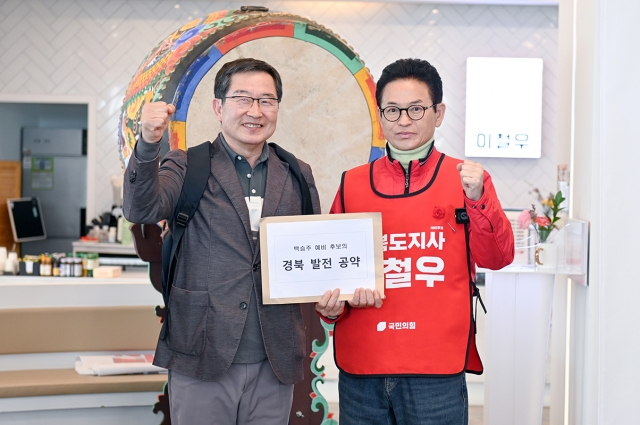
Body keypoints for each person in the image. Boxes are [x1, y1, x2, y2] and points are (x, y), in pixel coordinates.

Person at [316, 58, 515, 424]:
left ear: (438, 113)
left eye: (416, 109)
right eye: (392, 110)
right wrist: (332, 307)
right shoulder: (352, 184)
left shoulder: (467, 180)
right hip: (363, 367)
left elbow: (497, 258)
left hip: (436, 369)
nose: (403, 121)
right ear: (380, 116)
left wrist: (478, 199)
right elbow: (334, 272)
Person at [123, 58, 321, 425]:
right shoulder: (188, 165)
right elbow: (140, 208)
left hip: (275, 358)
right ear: (218, 107)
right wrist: (148, 144)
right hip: (201, 352)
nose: (255, 111)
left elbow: (311, 251)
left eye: (267, 100)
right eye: (242, 99)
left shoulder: (296, 172)